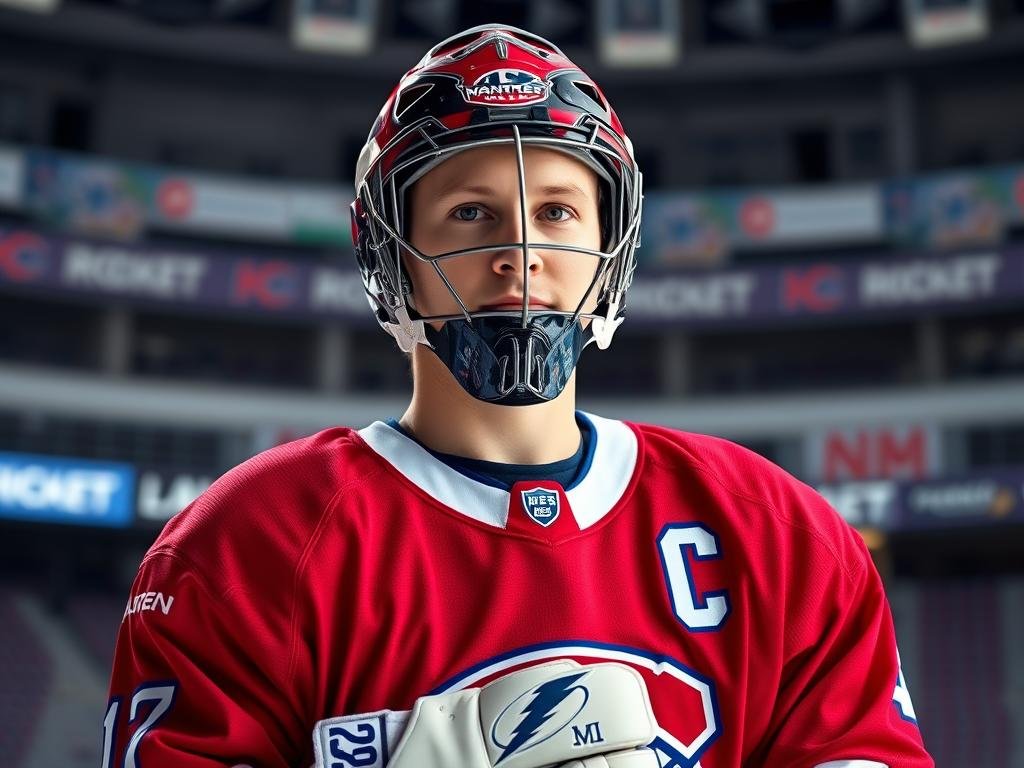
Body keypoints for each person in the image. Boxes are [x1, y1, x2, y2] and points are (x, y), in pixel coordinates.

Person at [104, 24, 934, 768]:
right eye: (471, 211)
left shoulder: (780, 535)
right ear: (390, 251)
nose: (522, 251)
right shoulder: (248, 547)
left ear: (613, 244)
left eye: (561, 210)